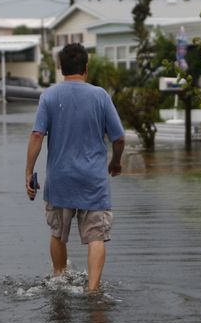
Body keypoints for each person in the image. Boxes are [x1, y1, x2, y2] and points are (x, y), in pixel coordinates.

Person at [25, 43, 126, 292]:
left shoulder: (49, 96)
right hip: (93, 180)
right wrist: (115, 162)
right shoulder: (100, 96)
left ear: (61, 69)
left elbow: (37, 135)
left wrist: (29, 172)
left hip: (60, 180)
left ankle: (59, 281)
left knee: (58, 233)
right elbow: (119, 138)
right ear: (86, 68)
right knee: (96, 237)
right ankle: (93, 291)